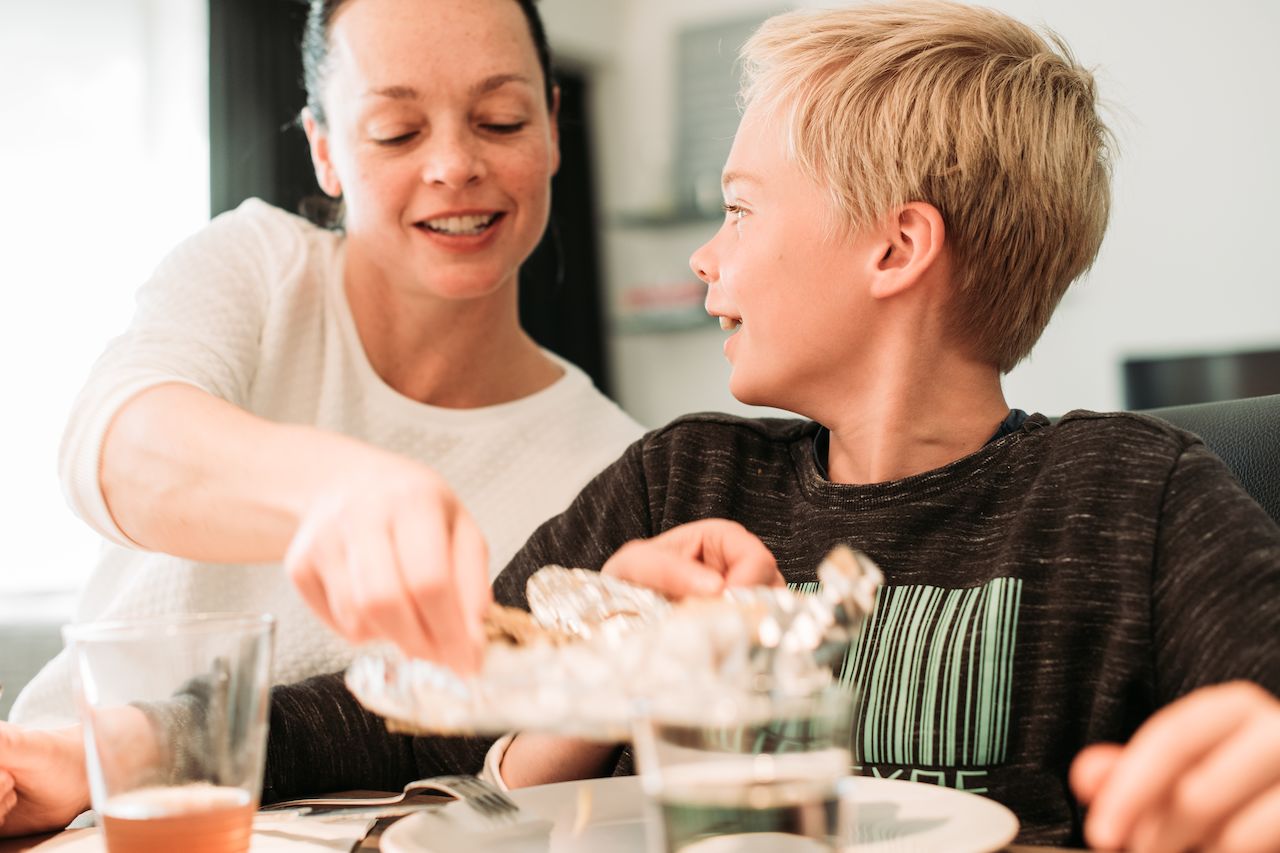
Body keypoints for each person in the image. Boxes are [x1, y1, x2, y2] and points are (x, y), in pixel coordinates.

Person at [3, 0, 1278, 849]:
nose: (705, 268)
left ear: (895, 246)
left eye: (737, 213)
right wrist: (103, 754)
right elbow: (401, 709)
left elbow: (1257, 716)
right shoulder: (679, 475)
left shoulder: (1138, 493)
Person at [9, 0, 642, 728]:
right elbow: (114, 447)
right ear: (325, 151)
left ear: (554, 127)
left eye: (501, 120)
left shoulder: (611, 460)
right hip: (83, 810)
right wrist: (338, 492)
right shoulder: (260, 268)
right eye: (395, 132)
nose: (455, 167)